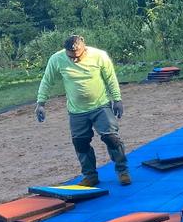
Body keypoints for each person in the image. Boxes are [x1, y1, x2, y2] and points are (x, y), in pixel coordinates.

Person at [35, 35, 131, 187]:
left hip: (100, 106)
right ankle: (90, 176)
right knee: (80, 143)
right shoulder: (57, 59)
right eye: (70, 57)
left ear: (83, 47)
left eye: (77, 56)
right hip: (76, 111)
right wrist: (41, 103)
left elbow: (110, 78)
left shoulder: (99, 56)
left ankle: (122, 171)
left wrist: (117, 99)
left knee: (111, 138)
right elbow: (47, 81)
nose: (74, 60)